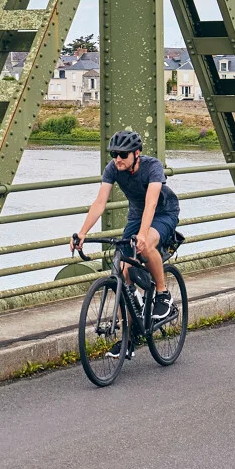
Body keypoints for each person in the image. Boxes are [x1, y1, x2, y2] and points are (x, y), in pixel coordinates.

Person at [71, 128, 179, 323]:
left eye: (122, 154)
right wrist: (83, 232)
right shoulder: (112, 169)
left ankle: (163, 294)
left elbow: (151, 203)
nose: (117, 158)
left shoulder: (152, 166)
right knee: (122, 272)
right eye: (114, 154)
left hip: (164, 212)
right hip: (136, 216)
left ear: (136, 154)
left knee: (146, 246)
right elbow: (100, 203)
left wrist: (143, 235)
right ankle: (127, 340)